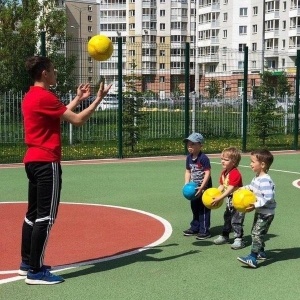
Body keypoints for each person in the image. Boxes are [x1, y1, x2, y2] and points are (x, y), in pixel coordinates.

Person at [19, 56, 111, 285]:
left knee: (32, 216)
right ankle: (36, 272)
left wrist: (79, 98)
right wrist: (98, 100)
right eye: (52, 69)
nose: (55, 71)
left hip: (32, 160)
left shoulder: (32, 96)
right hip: (46, 161)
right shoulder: (44, 96)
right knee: (45, 217)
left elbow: (60, 114)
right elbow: (77, 120)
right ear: (44, 74)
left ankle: (27, 263)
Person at [237, 149, 276, 268]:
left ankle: (253, 258)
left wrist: (255, 204)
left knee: (257, 233)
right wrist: (243, 188)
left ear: (262, 165)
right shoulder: (257, 177)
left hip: (266, 212)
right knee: (256, 232)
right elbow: (252, 187)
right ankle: (261, 252)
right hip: (261, 211)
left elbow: (268, 197)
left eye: (253, 162)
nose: (250, 164)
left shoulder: (265, 180)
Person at [211, 147, 245, 249]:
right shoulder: (224, 172)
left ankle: (239, 239)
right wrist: (214, 195)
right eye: (222, 159)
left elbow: (230, 189)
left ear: (234, 162)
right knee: (227, 218)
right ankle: (225, 235)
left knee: (236, 220)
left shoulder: (235, 173)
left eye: (226, 160)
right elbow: (222, 186)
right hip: (230, 201)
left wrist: (219, 198)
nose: (222, 161)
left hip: (239, 202)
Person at [182, 132, 213, 240]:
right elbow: (188, 171)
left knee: (203, 208)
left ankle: (204, 230)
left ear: (200, 145)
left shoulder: (203, 158)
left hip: (204, 188)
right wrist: (186, 183)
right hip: (193, 187)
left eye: (192, 144)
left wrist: (202, 187)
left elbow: (207, 173)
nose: (189, 147)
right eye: (188, 144)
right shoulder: (189, 158)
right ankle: (195, 227)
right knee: (194, 207)